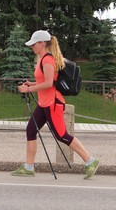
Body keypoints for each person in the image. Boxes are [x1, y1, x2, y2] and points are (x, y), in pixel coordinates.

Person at [11, 30, 99, 179]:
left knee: (62, 135)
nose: (32, 46)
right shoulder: (42, 59)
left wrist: (28, 88)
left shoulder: (47, 60)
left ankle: (90, 161)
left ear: (42, 44)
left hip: (53, 103)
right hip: (44, 103)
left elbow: (48, 83)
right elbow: (45, 81)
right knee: (31, 130)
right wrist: (31, 83)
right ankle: (28, 167)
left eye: (34, 44)